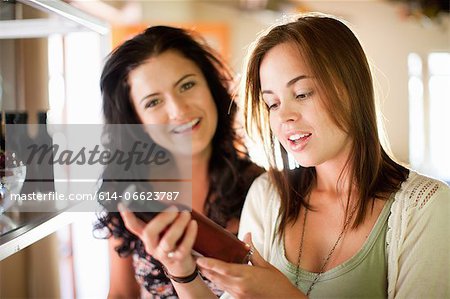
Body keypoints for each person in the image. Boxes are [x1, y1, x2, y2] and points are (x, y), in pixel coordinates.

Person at [120, 13, 449, 298]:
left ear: (353, 88)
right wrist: (182, 271)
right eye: (272, 103)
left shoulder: (426, 206)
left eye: (302, 93)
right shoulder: (267, 195)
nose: (284, 116)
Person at [95, 25, 263, 298]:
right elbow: (121, 294)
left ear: (211, 87)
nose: (178, 110)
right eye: (153, 102)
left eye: (187, 85)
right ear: (137, 121)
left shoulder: (261, 188)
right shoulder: (130, 193)